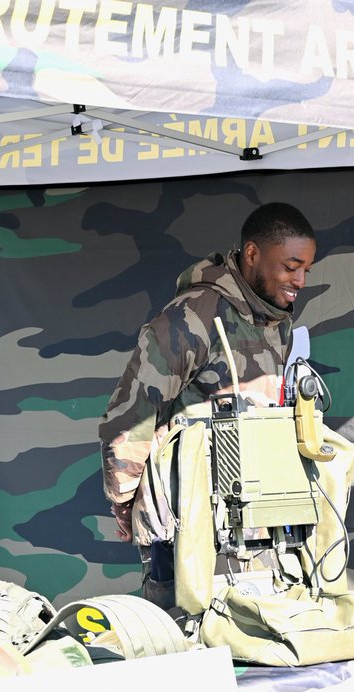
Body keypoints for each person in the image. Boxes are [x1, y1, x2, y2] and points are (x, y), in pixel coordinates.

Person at [98, 202, 317, 606]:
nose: (300, 280)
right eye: (291, 266)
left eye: (306, 269)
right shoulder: (191, 317)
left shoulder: (274, 322)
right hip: (189, 526)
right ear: (252, 254)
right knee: (187, 650)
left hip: (259, 527)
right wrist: (127, 504)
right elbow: (131, 418)